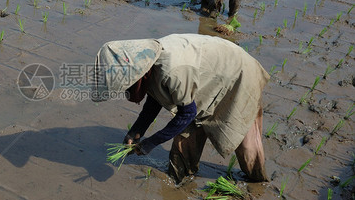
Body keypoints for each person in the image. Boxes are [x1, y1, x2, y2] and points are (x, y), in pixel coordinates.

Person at [92, 34, 270, 183]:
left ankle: (259, 184)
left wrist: (150, 143)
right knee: (184, 139)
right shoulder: (147, 63)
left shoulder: (172, 71)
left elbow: (187, 113)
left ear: (140, 75)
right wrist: (136, 132)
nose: (127, 91)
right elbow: (155, 99)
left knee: (246, 144)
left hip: (237, 74)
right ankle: (181, 180)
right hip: (202, 82)